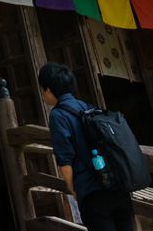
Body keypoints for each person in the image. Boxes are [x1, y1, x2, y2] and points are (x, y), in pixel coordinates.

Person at [40, 61, 135, 231]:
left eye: (42, 89)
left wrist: (73, 189)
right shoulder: (88, 108)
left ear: (48, 89)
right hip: (118, 188)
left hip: (93, 194)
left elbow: (64, 160)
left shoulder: (58, 115)